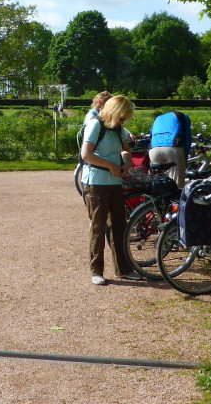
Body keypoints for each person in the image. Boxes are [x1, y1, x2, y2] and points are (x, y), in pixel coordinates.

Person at [80, 95, 143, 285]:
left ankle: (123, 269)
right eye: (122, 118)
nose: (124, 122)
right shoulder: (95, 125)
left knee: (119, 226)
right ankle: (96, 271)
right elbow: (86, 154)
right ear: (114, 113)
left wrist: (127, 162)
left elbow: (125, 150)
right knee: (98, 227)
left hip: (114, 182)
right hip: (95, 183)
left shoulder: (118, 128)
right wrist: (110, 166)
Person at [148, 110, 192, 188]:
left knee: (158, 183)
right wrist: (185, 156)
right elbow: (187, 138)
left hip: (154, 149)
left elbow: (151, 135)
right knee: (177, 185)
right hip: (173, 148)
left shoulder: (158, 118)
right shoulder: (182, 116)